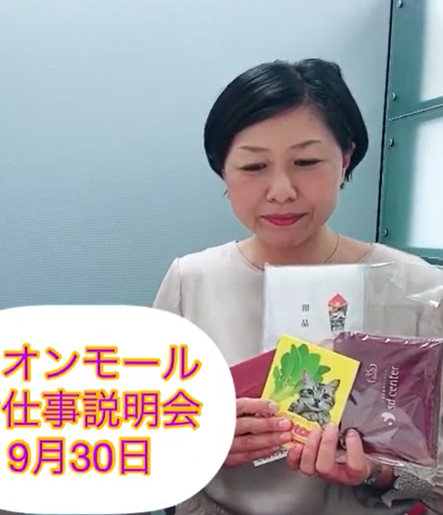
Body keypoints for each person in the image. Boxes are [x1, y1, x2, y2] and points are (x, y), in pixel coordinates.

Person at [153, 58, 443, 515]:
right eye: (253, 166)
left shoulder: (420, 290)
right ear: (222, 170)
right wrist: (200, 445)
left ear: (344, 158)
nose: (281, 190)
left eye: (306, 162)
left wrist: (380, 473)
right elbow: (145, 443)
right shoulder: (192, 282)